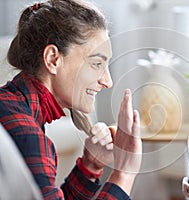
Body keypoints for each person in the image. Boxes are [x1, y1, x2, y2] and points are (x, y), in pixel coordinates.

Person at [0, 0, 142, 199]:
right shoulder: (26, 135)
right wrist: (125, 173)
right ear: (53, 59)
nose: (107, 81)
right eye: (96, 63)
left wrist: (90, 166)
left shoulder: (14, 108)